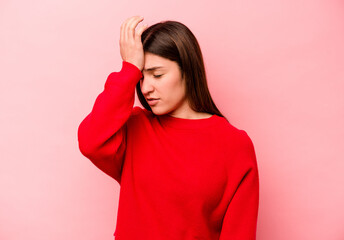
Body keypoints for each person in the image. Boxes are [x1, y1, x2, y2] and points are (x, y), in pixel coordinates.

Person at [77, 15, 259, 240]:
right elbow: (90, 141)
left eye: (157, 75)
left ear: (188, 70)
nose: (145, 88)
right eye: (141, 77)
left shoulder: (234, 145)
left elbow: (239, 233)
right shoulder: (135, 128)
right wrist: (128, 70)